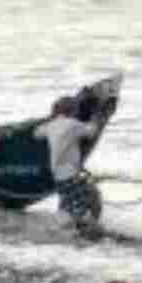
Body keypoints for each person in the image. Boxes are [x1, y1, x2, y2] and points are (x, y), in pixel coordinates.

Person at [35, 95, 102, 231]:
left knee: (67, 204)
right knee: (90, 196)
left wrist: (48, 121)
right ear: (71, 111)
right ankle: (81, 230)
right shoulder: (72, 125)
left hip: (58, 177)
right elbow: (92, 131)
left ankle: (61, 227)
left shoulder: (50, 126)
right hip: (70, 175)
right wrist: (96, 118)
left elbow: (36, 133)